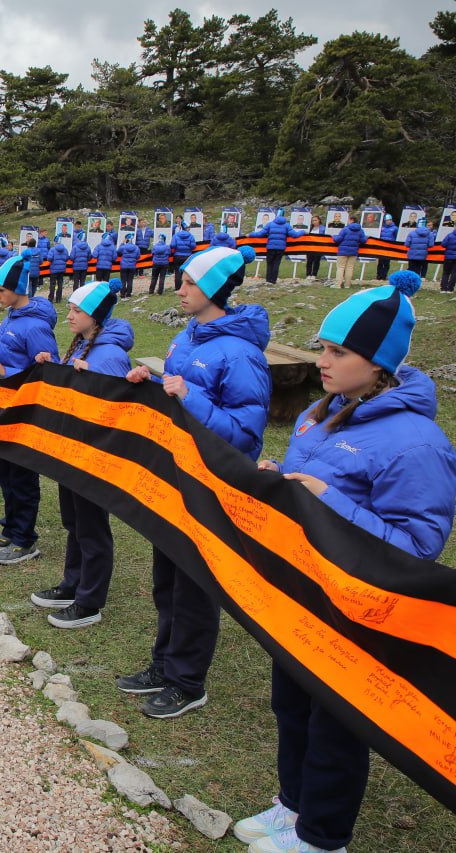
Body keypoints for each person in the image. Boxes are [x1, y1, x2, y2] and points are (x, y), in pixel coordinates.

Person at [238, 270, 456, 853]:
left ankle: (323, 836)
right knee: (292, 703)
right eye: (322, 347)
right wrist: (280, 482)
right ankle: (293, 805)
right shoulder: (320, 411)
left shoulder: (419, 444)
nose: (323, 361)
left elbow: (416, 549)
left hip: (357, 613)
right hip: (304, 594)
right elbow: (308, 483)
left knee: (337, 721)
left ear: (379, 364)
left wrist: (326, 500)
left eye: (339, 352)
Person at [120, 245, 271, 718]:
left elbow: (247, 433)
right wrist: (150, 380)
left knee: (196, 584)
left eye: (188, 283)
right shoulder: (190, 337)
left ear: (213, 289)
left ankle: (188, 682)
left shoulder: (242, 353)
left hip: (211, 486)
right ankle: (163, 665)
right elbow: (178, 395)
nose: (179, 289)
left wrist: (188, 397)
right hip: (175, 475)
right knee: (167, 578)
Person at [31, 280, 132, 628]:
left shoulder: (111, 355)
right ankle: (71, 584)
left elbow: (120, 410)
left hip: (95, 456)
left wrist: (95, 383)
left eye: (77, 311)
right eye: (70, 309)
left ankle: (90, 601)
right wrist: (53, 366)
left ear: (96, 316)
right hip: (71, 450)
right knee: (73, 521)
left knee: (92, 527)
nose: (69, 316)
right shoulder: (79, 346)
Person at [0, 253, 58, 565]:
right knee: (5, 472)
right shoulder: (9, 320)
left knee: (22, 476)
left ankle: (25, 539)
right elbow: (10, 358)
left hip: (25, 412)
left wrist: (7, 373)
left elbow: (49, 371)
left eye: (1, 290)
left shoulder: (33, 327)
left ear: (17, 289)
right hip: (6, 407)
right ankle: (9, 528)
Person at [250, 210, 305, 285]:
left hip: (270, 247)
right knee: (276, 264)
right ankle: (273, 280)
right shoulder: (286, 225)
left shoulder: (270, 224)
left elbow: (260, 234)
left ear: (275, 215)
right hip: (281, 248)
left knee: (269, 264)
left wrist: (250, 234)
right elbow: (295, 235)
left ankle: (268, 280)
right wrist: (303, 232)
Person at [332, 215, 365, 288]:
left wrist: (333, 236)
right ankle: (347, 285)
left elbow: (338, 239)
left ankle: (338, 285)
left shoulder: (345, 229)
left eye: (348, 220)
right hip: (354, 251)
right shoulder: (360, 230)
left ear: (351, 220)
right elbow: (363, 240)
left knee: (340, 267)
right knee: (350, 268)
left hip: (343, 251)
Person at [170, 224, 198, 289]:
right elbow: (193, 246)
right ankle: (185, 287)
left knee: (177, 272)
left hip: (177, 256)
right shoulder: (191, 236)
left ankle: (177, 287)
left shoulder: (176, 235)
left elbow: (172, 245)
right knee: (186, 272)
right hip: (187, 256)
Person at [47, 237, 70, 301]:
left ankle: (50, 298)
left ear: (55, 242)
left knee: (52, 284)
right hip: (62, 269)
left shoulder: (52, 249)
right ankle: (58, 299)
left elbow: (49, 258)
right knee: (60, 284)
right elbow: (66, 258)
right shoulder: (65, 249)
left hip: (54, 269)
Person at [376, 213, 397, 280]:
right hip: (381, 247)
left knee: (386, 262)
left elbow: (396, 237)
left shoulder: (395, 228)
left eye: (389, 220)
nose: (388, 221)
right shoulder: (381, 228)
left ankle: (384, 275)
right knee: (380, 262)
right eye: (387, 220)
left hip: (389, 247)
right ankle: (379, 275)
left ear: (391, 220)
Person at [304, 215, 325, 280]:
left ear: (319, 220)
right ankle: (308, 274)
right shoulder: (310, 228)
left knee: (316, 261)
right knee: (309, 261)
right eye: (313, 220)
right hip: (310, 247)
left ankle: (314, 274)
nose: (314, 222)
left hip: (318, 247)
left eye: (316, 220)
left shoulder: (323, 228)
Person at [442, 225, 456, 292]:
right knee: (454, 273)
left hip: (448, 257)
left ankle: (443, 288)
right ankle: (450, 289)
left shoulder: (449, 235)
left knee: (446, 273)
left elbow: (443, 244)